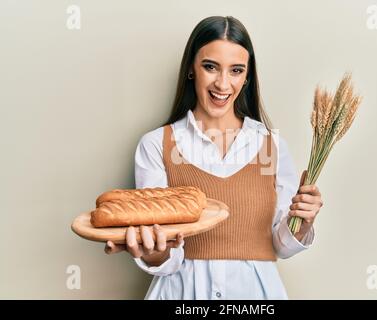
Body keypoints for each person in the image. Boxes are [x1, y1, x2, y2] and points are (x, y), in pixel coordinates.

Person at [104, 16, 324, 300]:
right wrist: (156, 253)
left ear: (246, 78)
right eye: (210, 67)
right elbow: (165, 256)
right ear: (191, 70)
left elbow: (280, 246)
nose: (223, 83)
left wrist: (303, 222)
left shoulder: (270, 146)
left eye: (236, 70)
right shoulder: (156, 145)